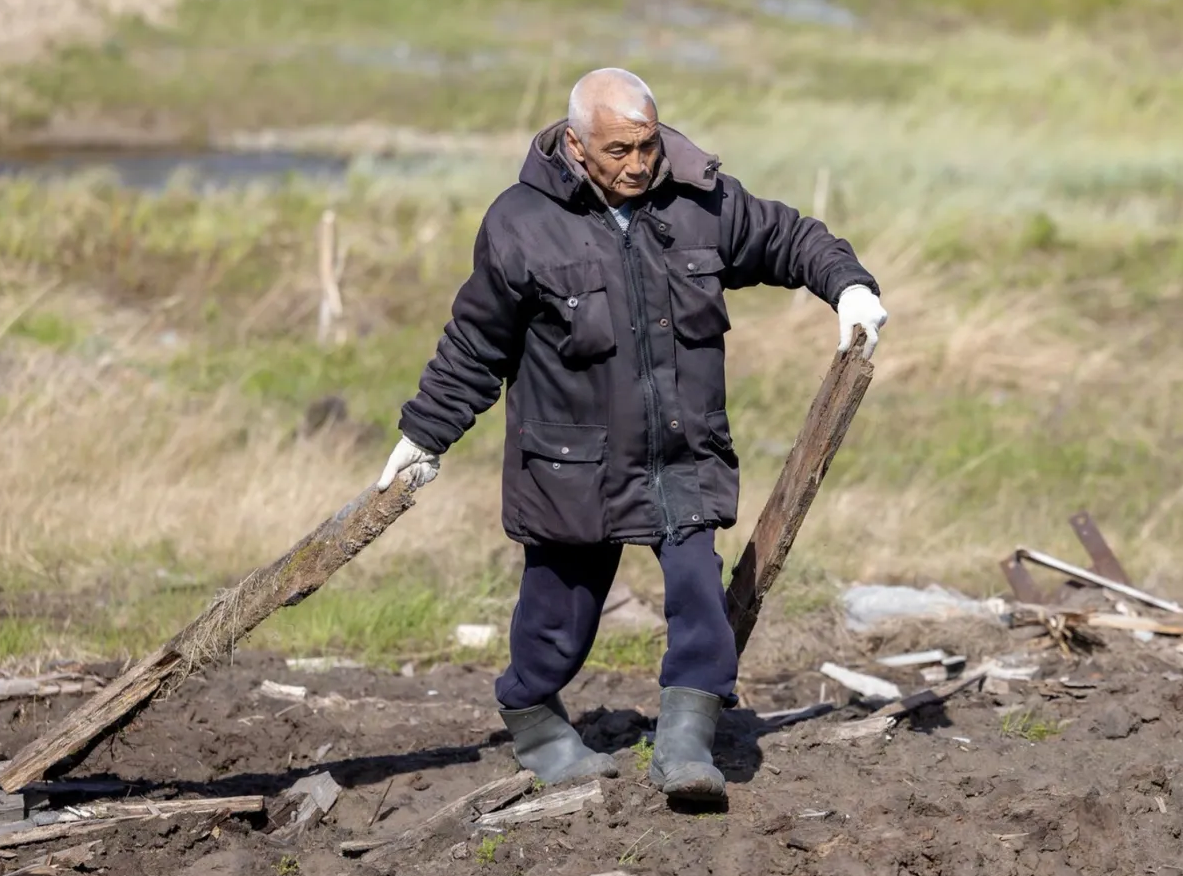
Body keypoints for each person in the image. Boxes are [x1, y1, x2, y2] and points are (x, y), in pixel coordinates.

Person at [376, 68, 889, 803]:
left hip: (680, 451)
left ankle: (685, 745)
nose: (639, 164)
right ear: (577, 145)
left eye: (648, 145)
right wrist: (425, 437)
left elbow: (789, 237)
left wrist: (849, 286)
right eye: (619, 150)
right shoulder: (521, 223)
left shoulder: (698, 202)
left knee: (696, 594)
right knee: (558, 621)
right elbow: (476, 344)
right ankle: (533, 717)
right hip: (571, 465)